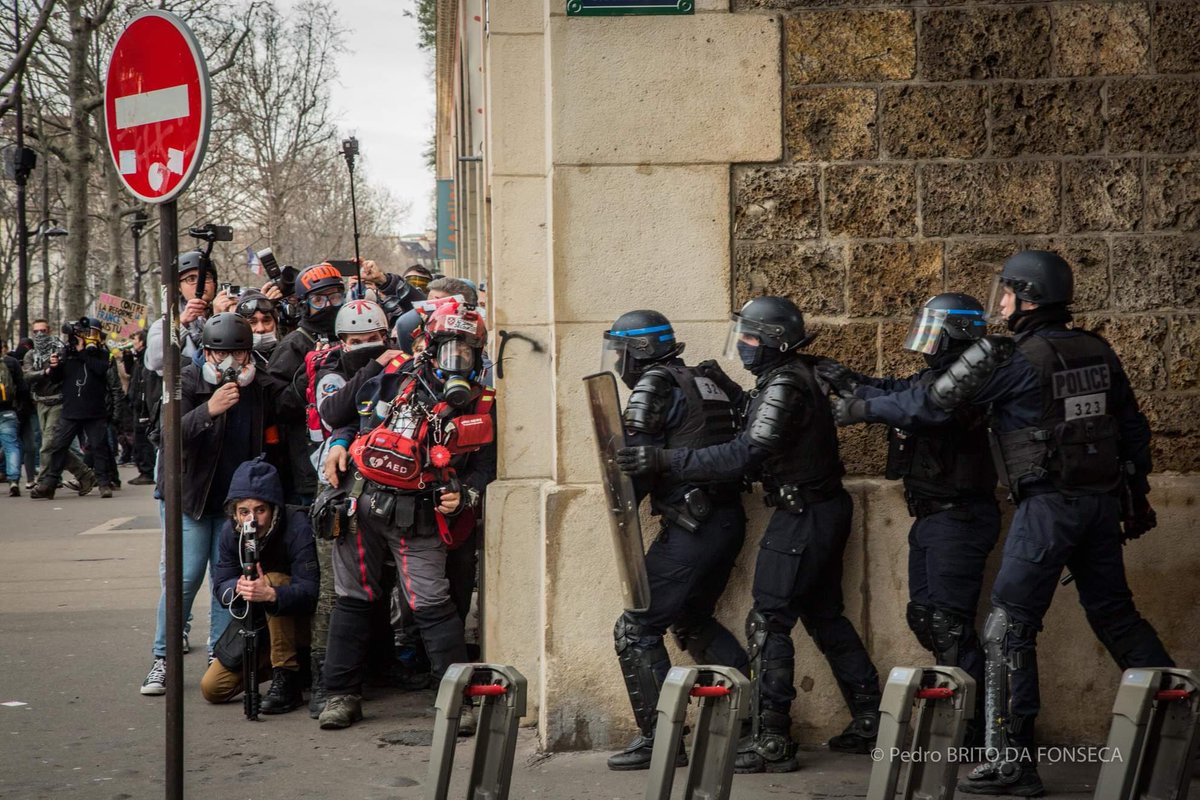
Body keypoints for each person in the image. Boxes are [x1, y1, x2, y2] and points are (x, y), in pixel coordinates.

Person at [835, 251, 1173, 795]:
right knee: (1116, 615)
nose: (1003, 303)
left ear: (1027, 296)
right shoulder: (1096, 349)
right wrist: (1136, 499)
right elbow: (1132, 431)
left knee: (1008, 626)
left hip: (1048, 507)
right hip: (1101, 504)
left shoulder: (1015, 357)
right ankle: (1180, 733)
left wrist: (862, 408)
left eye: (1007, 294)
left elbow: (933, 405)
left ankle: (1012, 761)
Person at [617, 296, 883, 773]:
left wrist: (665, 460)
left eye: (750, 337)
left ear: (774, 341)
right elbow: (764, 422)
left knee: (769, 619)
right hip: (815, 509)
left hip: (804, 512)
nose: (742, 345)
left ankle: (771, 738)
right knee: (824, 615)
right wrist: (728, 390)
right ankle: (870, 718)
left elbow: (748, 451)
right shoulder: (788, 378)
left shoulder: (785, 381)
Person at [819, 294, 1000, 742]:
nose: (927, 340)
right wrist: (854, 382)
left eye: (935, 329)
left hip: (960, 517)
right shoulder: (937, 377)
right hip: (933, 516)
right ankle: (968, 716)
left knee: (950, 626)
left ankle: (977, 731)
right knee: (926, 617)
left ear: (955, 331)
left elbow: (921, 408)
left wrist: (861, 407)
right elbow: (905, 391)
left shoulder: (971, 382)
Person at [317, 300, 496, 730]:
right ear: (427, 347)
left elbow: (487, 464)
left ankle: (456, 700)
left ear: (479, 354)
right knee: (353, 597)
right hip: (360, 501)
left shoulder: (483, 403)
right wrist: (340, 442)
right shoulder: (395, 375)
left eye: (466, 351)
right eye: (448, 349)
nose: (456, 361)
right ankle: (340, 693)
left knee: (432, 602)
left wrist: (466, 495)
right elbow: (344, 414)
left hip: (421, 512)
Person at [600, 310, 749, 771]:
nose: (619, 362)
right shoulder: (705, 378)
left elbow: (636, 466)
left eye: (621, 351)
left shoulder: (654, 385)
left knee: (636, 628)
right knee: (693, 620)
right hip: (724, 520)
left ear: (639, 351)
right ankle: (752, 725)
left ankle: (660, 738)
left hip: (691, 525)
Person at [141, 313, 279, 694]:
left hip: (235, 504)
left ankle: (221, 657)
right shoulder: (184, 380)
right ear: (206, 354)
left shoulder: (259, 388)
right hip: (191, 498)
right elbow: (167, 435)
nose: (232, 363)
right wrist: (209, 409)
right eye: (222, 355)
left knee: (229, 580)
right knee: (183, 579)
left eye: (240, 354)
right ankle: (163, 658)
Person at [307, 298, 406, 717]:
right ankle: (324, 684)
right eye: (357, 340)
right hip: (338, 491)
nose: (366, 345)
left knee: (393, 590)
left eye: (374, 339)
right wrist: (374, 366)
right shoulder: (334, 371)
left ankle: (378, 668)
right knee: (338, 592)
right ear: (343, 342)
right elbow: (337, 412)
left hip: (392, 488)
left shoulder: (403, 367)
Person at [201, 457, 318, 713]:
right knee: (213, 688)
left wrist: (271, 594)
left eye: (260, 510)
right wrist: (239, 587)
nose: (253, 519)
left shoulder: (297, 525)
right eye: (244, 512)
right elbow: (220, 584)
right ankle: (290, 668)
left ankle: (286, 675)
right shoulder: (230, 533)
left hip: (298, 622)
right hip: (258, 624)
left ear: (273, 508)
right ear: (234, 512)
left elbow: (311, 591)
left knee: (273, 580)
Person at [265, 262, 346, 505]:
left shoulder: (349, 336)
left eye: (335, 297)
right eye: (319, 300)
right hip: (309, 461)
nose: (329, 306)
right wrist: (310, 375)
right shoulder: (294, 345)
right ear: (303, 305)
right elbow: (275, 404)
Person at [31, 319, 116, 499]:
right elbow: (56, 379)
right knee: (58, 446)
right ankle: (50, 483)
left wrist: (83, 353)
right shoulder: (66, 353)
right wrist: (54, 367)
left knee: (98, 447)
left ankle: (103, 483)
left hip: (95, 410)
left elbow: (101, 370)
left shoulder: (101, 353)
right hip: (71, 410)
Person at [23, 320, 97, 495]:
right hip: (41, 402)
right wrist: (45, 372)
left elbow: (65, 374)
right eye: (36, 331)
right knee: (55, 445)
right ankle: (85, 474)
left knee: (48, 444)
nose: (40, 335)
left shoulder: (60, 349)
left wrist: (55, 367)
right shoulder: (31, 355)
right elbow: (27, 375)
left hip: (59, 401)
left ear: (49, 330)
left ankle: (44, 481)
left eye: (43, 330)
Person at [126, 331, 156, 485]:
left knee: (143, 440)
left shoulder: (146, 359)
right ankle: (144, 469)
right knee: (139, 439)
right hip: (137, 404)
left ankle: (147, 471)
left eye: (135, 340)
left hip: (143, 405)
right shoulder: (138, 358)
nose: (133, 343)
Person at [0, 341, 27, 496]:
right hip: (8, 410)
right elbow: (22, 387)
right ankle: (14, 480)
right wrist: (19, 408)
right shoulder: (11, 362)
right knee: (11, 446)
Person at [235, 291, 281, 370]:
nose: (261, 329)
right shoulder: (236, 361)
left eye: (266, 321)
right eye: (252, 322)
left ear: (276, 323)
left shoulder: (289, 352)